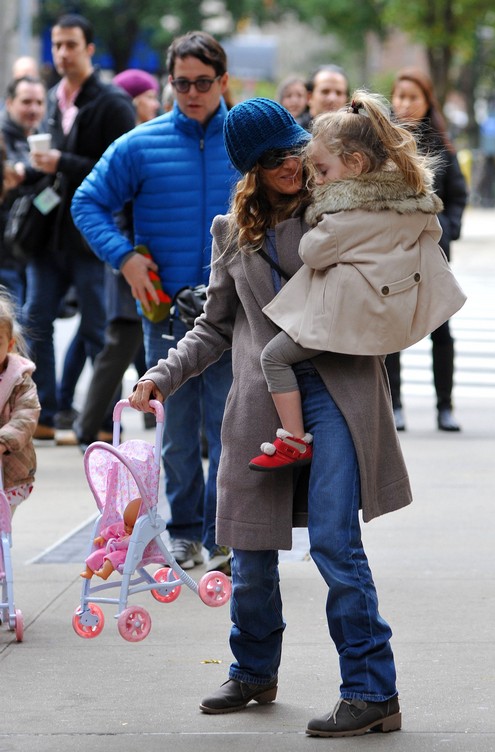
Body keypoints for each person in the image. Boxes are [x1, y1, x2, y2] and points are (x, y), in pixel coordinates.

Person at [128, 97, 411, 737]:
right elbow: (213, 328)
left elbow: (404, 237)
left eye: (295, 150)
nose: (291, 163)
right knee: (249, 548)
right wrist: (159, 377)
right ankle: (253, 670)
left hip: (337, 390)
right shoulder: (232, 232)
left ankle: (372, 690)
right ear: (251, 168)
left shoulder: (338, 206)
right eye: (274, 157)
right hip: (260, 399)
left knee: (336, 543)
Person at [71, 31, 238, 573]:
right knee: (178, 435)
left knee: (231, 432)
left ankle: (226, 537)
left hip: (236, 313)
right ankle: (187, 533)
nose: (192, 92)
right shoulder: (140, 144)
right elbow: (87, 201)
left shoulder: (247, 143)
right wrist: (124, 257)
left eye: (203, 82)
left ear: (223, 80)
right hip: (166, 315)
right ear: (170, 82)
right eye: (182, 82)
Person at [248, 91, 466, 471]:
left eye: (322, 170)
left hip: (346, 317)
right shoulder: (410, 202)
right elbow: (431, 232)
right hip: (390, 312)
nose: (314, 179)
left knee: (274, 357)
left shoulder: (343, 217)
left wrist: (318, 219)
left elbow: (312, 253)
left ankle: (295, 440)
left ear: (355, 163)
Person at [22, 13, 136, 442]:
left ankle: (106, 422)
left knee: (95, 328)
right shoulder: (54, 99)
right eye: (56, 45)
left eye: (71, 44)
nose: (62, 53)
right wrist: (29, 171)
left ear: (89, 48)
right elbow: (50, 169)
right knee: (35, 321)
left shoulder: (111, 102)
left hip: (91, 237)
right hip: (47, 234)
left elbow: (119, 173)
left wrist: (61, 163)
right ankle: (46, 411)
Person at [73, 68, 162, 449]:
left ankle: (141, 421)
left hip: (148, 267)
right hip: (135, 266)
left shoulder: (152, 140)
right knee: (120, 344)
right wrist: (126, 255)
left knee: (147, 349)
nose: (154, 102)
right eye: (147, 96)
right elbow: (101, 206)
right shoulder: (131, 147)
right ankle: (89, 424)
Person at [386, 67, 468, 432]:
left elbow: (458, 196)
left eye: (412, 97)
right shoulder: (380, 144)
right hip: (391, 255)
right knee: (391, 332)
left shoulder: (442, 147)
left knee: (442, 331)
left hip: (433, 254)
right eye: (399, 96)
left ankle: (445, 407)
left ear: (426, 102)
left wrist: (447, 231)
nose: (404, 103)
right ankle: (395, 405)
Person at [1, 76, 47, 308]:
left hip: (30, 250)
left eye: (39, 102)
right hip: (6, 254)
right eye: (27, 102)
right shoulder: (3, 136)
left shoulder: (43, 135)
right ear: (10, 103)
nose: (34, 109)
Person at [0, 289, 40, 515]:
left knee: (2, 522)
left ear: (9, 344)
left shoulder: (19, 379)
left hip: (9, 467)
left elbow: (27, 413)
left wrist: (4, 440)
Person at [80, 497, 141, 580]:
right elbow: (112, 529)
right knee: (96, 554)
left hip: (126, 553)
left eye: (132, 526)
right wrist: (103, 537)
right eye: (126, 524)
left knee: (111, 559)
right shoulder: (121, 527)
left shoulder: (139, 533)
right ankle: (88, 572)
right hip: (111, 548)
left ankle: (104, 573)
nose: (128, 529)